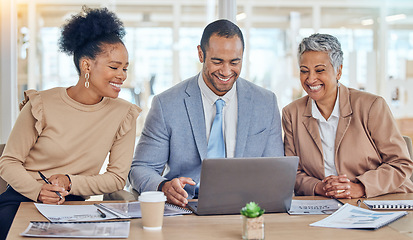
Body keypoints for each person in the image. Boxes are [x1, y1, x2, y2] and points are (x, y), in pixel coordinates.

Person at [0, 6, 141, 238]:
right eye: (114, 67)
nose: (122, 75)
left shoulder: (124, 114)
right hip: (22, 199)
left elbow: (116, 178)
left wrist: (70, 182)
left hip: (73, 205)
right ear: (86, 66)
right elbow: (9, 162)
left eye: (125, 68)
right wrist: (38, 191)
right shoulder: (41, 103)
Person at [129, 19, 284, 207]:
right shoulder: (167, 104)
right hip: (187, 207)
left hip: (248, 207)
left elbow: (275, 172)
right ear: (201, 54)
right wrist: (164, 186)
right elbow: (141, 168)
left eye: (234, 62)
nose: (226, 71)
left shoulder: (265, 102)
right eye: (218, 61)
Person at [282, 33, 413, 199]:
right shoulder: (292, 113)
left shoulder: (371, 106)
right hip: (322, 204)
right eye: (304, 71)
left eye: (320, 70)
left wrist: (360, 188)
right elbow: (292, 173)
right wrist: (319, 187)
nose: (311, 79)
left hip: (376, 201)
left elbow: (400, 164)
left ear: (339, 71)